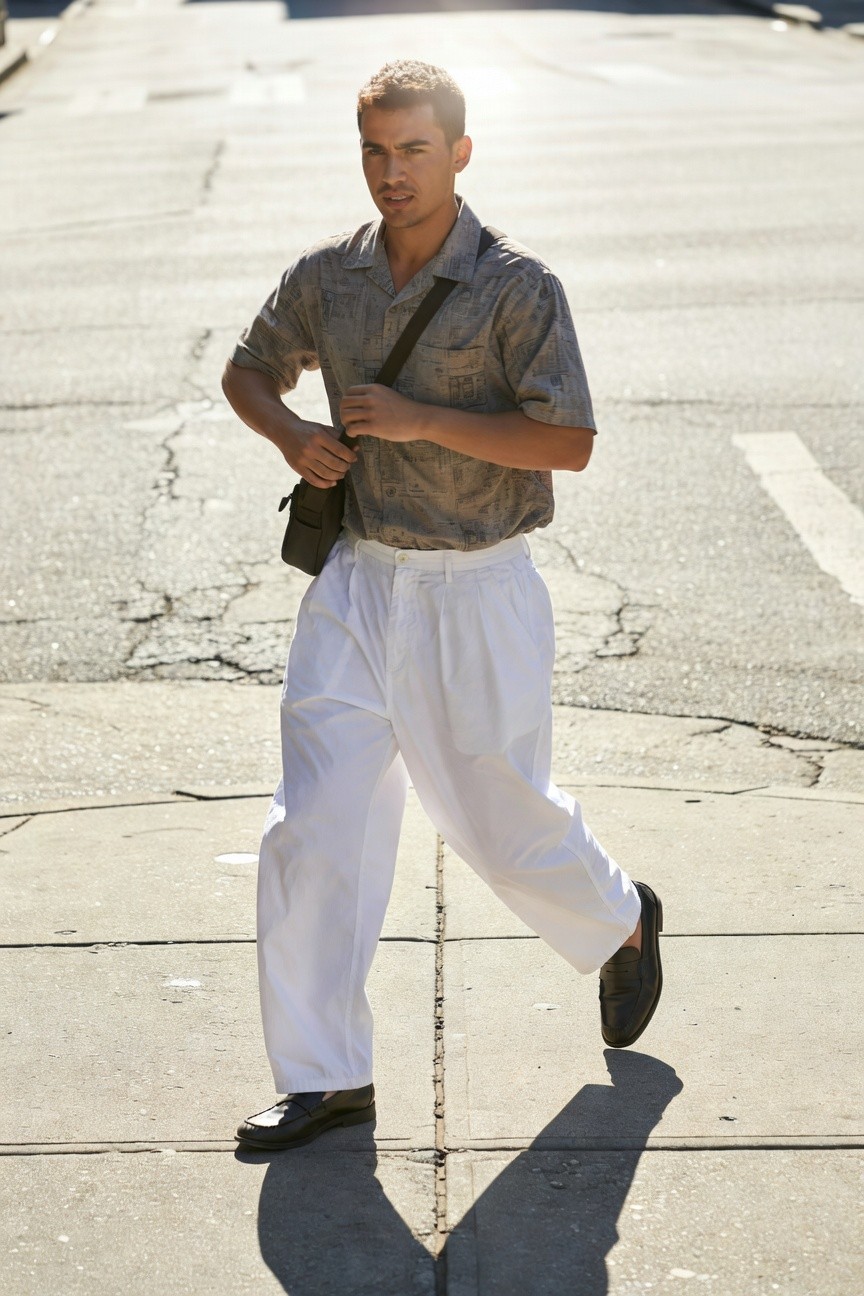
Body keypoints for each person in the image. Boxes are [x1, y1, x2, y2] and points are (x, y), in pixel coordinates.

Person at [222, 60, 663, 1152]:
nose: (392, 173)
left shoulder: (516, 286)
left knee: (500, 825)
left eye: (414, 150)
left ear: (460, 153)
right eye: (375, 151)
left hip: (477, 588)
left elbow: (570, 441)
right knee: (311, 828)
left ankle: (620, 919)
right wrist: (293, 435)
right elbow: (248, 371)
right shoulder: (329, 275)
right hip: (357, 584)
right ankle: (325, 1076)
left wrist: (422, 419)